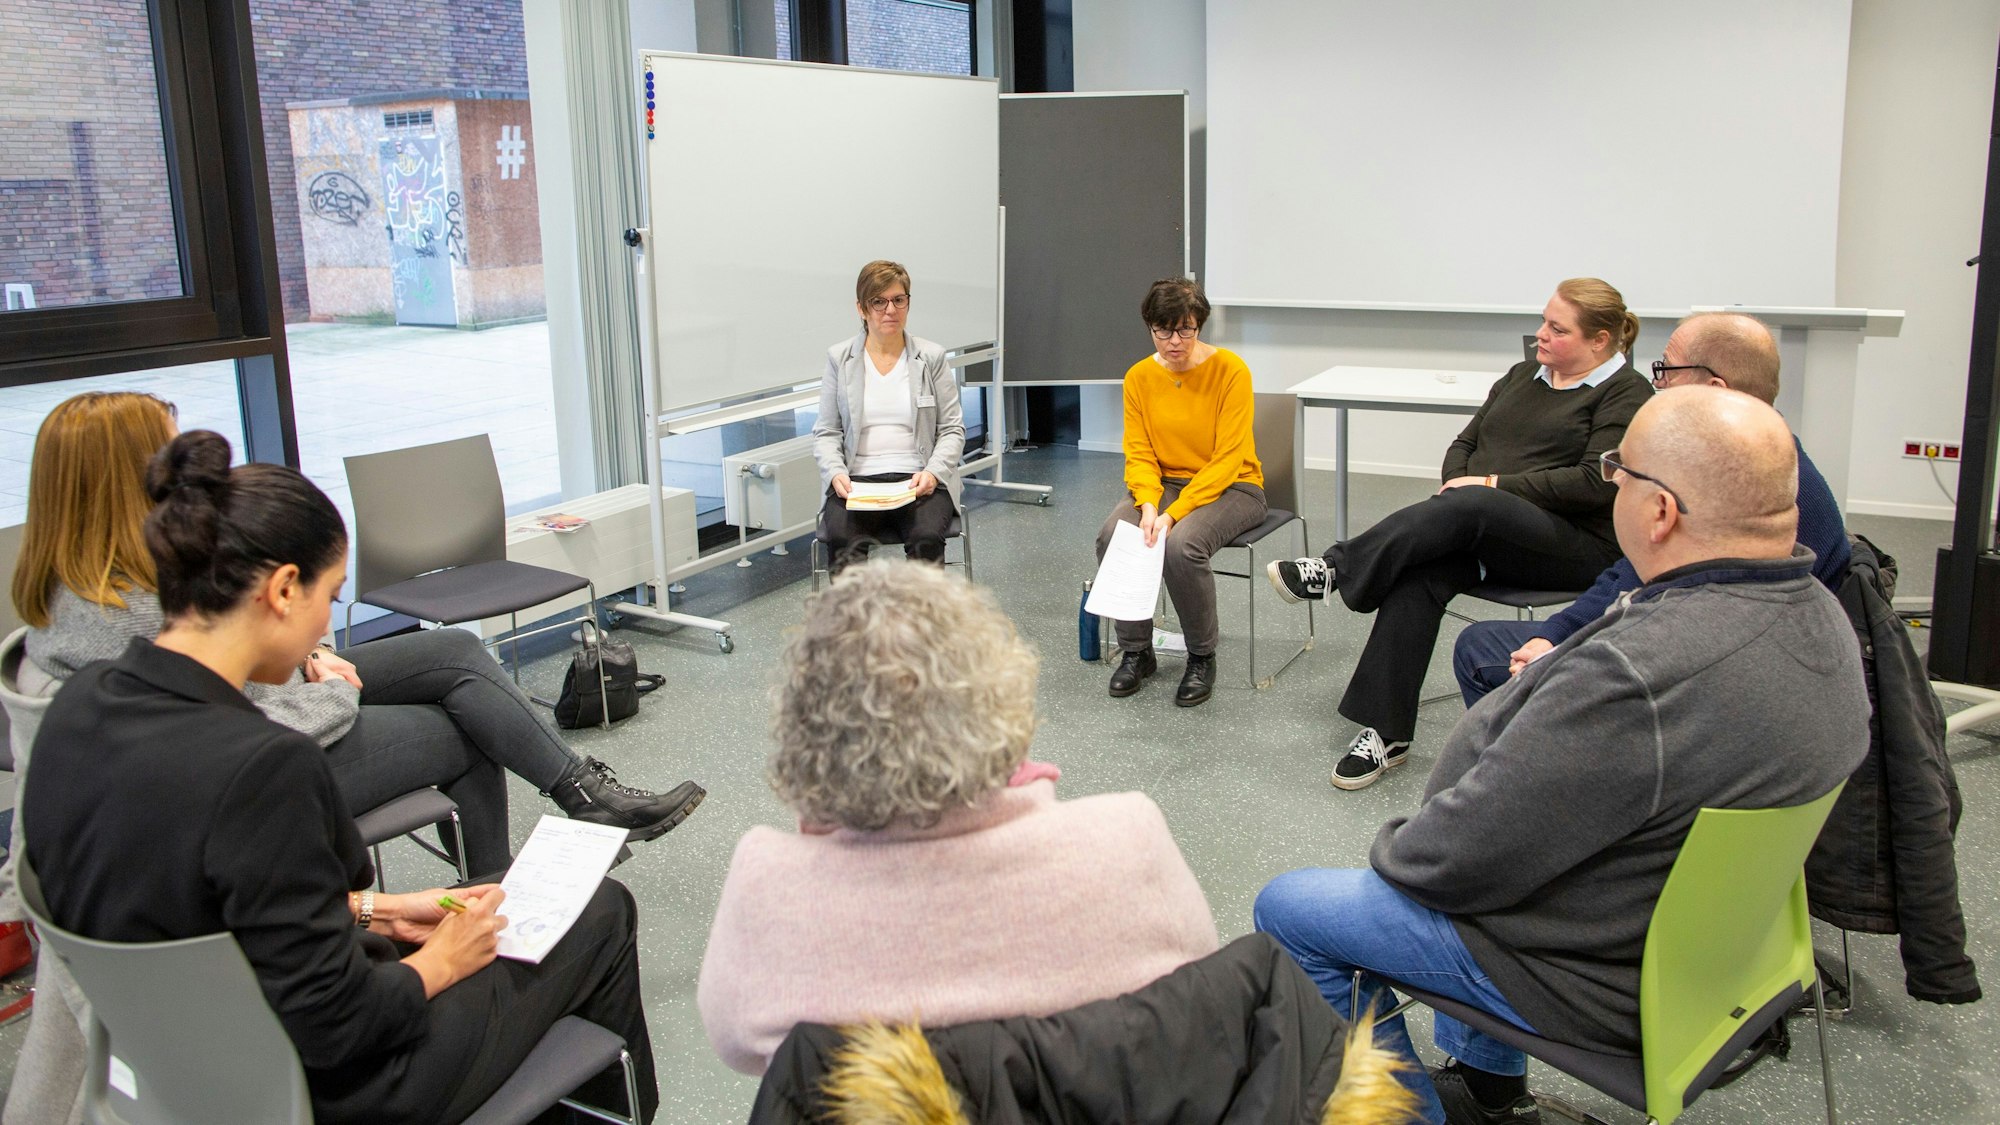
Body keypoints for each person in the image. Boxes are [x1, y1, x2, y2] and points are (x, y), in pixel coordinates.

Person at [1253, 386, 1870, 1125]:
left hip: (1598, 976)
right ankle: (1489, 1090)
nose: (1610, 481)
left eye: (1619, 470)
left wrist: (1414, 824)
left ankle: (1401, 1117)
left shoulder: (1638, 673)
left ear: (1662, 510)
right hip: (1731, 957)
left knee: (1290, 908)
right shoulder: (1827, 619)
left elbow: (1443, 860)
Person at [21, 430, 659, 1124]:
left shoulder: (77, 707)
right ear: (284, 589)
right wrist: (443, 961)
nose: (328, 621)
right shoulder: (262, 767)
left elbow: (197, 904)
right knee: (602, 911)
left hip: (189, 1075)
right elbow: (341, 1023)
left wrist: (372, 908)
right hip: (338, 1089)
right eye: (329, 595)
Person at [10, 391, 703, 877]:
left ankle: (585, 795)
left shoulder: (111, 572)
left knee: (457, 654)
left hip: (275, 705)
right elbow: (245, 730)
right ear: (121, 475)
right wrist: (330, 690)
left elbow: (242, 640)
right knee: (465, 728)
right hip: (256, 772)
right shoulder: (113, 611)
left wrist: (306, 657)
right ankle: (494, 889)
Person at [697, 558, 1219, 1075]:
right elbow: (1195, 986)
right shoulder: (1129, 840)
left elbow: (736, 1046)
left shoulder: (766, 886)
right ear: (1000, 692)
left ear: (804, 725)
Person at [1267, 278, 1652, 789]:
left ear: (1600, 341)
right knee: (1418, 573)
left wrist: (1489, 486)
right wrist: (1461, 482)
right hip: (1486, 530)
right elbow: (1465, 442)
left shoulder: (1628, 394)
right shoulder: (1523, 376)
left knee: (1474, 502)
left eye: (1557, 329)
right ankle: (1388, 733)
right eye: (1543, 320)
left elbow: (1592, 483)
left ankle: (1336, 568)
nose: (1540, 334)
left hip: (1572, 546)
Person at [1451, 311, 1850, 705]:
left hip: (1715, 682)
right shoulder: (1728, 463)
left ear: (1714, 388)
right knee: (1483, 640)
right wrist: (1556, 635)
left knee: (1481, 652)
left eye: (1668, 371)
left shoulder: (1760, 491)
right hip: (1668, 641)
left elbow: (1714, 636)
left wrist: (1568, 655)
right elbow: (1628, 575)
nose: (1657, 385)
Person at [1093, 277, 1266, 707]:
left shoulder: (1231, 370)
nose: (1174, 341)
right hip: (1166, 484)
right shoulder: (1139, 377)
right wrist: (1150, 503)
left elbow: (1228, 459)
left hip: (1234, 485)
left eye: (1185, 329)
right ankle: (1137, 651)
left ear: (1199, 325)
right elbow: (1138, 453)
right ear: (1150, 327)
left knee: (1182, 545)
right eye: (1163, 330)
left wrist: (1173, 515)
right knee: (1116, 533)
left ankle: (1201, 656)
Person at [812, 260, 965, 573]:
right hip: (856, 481)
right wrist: (836, 473)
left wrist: (933, 473)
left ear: (908, 303)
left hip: (919, 478)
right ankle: (852, 622)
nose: (890, 310)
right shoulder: (839, 359)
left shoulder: (930, 357)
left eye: (899, 300)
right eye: (878, 302)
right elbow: (827, 432)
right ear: (861, 308)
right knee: (842, 537)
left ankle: (923, 621)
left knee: (926, 537)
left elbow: (952, 429)